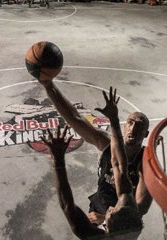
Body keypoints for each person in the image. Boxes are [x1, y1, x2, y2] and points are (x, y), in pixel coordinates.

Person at [40, 81, 152, 224]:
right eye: (130, 122)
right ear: (124, 127)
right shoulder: (107, 144)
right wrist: (49, 86)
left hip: (123, 222)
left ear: (146, 133)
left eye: (140, 125)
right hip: (98, 206)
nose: (133, 128)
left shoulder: (146, 163)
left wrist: (106, 219)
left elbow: (139, 209)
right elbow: (75, 118)